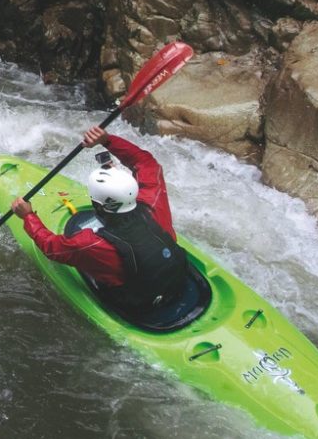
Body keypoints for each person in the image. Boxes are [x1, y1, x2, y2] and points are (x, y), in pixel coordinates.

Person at [10, 126, 188, 313]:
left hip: (138, 302)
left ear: (97, 204)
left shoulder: (90, 244)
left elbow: (51, 247)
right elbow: (146, 163)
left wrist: (28, 216)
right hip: (177, 281)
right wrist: (107, 140)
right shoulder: (154, 199)